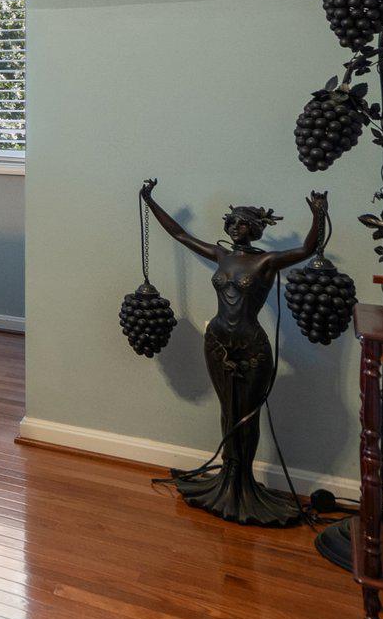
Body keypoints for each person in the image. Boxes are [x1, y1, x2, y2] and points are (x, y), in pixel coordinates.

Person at [139, 179, 329, 525]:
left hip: (250, 345)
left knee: (248, 414)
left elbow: (305, 250)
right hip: (216, 341)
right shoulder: (222, 255)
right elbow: (180, 235)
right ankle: (226, 477)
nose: (236, 228)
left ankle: (243, 485)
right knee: (228, 411)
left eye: (244, 223)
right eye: (233, 222)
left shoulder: (268, 262)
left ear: (255, 229)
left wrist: (318, 214)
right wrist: (150, 200)